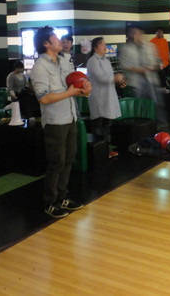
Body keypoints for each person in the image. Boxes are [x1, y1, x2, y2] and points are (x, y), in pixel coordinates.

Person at [30, 26, 91, 219]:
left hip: (70, 117)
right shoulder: (40, 67)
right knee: (56, 162)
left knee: (68, 159)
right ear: (46, 43)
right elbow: (44, 98)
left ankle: (62, 197)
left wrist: (83, 90)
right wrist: (70, 92)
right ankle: (50, 202)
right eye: (55, 38)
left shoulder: (64, 61)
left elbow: (73, 85)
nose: (60, 40)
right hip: (55, 121)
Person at [120, 26, 167, 125]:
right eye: (133, 33)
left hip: (151, 81)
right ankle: (144, 128)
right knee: (140, 107)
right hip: (136, 84)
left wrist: (156, 66)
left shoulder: (150, 46)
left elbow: (158, 62)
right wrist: (141, 70)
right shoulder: (126, 49)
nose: (136, 35)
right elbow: (125, 66)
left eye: (137, 33)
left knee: (157, 104)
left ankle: (161, 126)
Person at [86, 37, 123, 158]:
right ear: (95, 47)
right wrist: (115, 78)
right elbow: (102, 78)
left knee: (107, 126)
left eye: (105, 44)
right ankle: (98, 153)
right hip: (98, 98)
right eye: (102, 44)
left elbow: (109, 78)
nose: (105, 46)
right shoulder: (92, 61)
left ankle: (106, 150)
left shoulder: (106, 61)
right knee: (98, 127)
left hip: (108, 97)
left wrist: (118, 82)